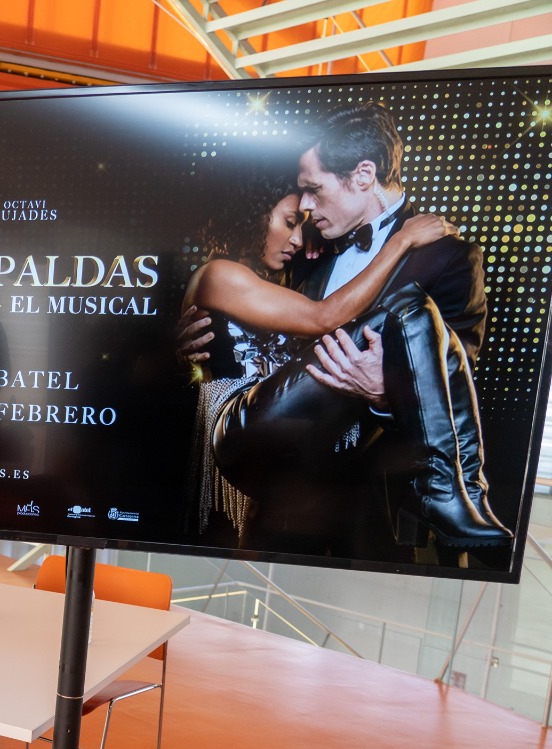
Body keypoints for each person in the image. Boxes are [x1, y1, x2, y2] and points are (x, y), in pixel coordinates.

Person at [184, 102, 510, 557]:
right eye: (299, 203)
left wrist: (383, 392)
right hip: (277, 495)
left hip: (369, 511)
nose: (307, 208)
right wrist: (187, 343)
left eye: (314, 190)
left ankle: (456, 493)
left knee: (411, 309)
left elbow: (458, 379)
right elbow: (283, 324)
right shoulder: (305, 251)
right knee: (408, 305)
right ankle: (458, 492)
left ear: (362, 175)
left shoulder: (447, 256)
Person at [178, 166, 454, 544]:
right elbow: (323, 318)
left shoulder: (274, 281)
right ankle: (451, 480)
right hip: (242, 424)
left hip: (284, 439)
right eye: (289, 222)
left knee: (259, 545)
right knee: (406, 310)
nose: (295, 238)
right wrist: (401, 242)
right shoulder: (220, 273)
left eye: (301, 227)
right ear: (253, 215)